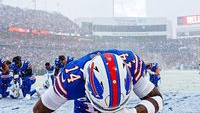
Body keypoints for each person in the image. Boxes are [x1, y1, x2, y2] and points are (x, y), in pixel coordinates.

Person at [33, 49, 163, 113]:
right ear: (86, 85)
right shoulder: (71, 80)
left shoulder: (130, 64)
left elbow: (157, 98)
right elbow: (39, 111)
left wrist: (134, 112)